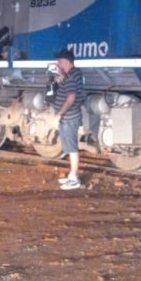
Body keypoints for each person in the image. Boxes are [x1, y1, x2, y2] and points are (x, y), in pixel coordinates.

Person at [52, 48, 85, 190]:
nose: (58, 64)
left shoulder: (71, 77)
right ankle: (72, 175)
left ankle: (74, 178)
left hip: (69, 117)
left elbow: (71, 97)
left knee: (71, 148)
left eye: (59, 61)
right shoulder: (73, 74)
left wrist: (59, 113)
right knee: (70, 147)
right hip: (69, 117)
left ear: (66, 61)